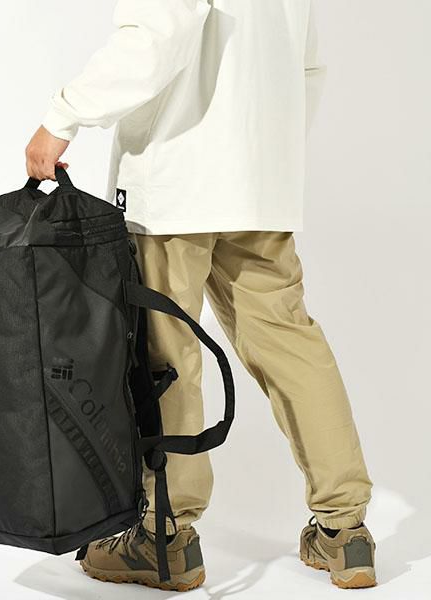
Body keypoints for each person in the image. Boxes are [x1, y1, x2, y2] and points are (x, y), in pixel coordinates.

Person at [25, 0, 376, 592]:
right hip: (261, 185)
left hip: (175, 182)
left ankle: (164, 537)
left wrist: (63, 115)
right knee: (292, 345)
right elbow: (308, 67)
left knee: (166, 357)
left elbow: (159, 30)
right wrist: (264, 153)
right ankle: (346, 530)